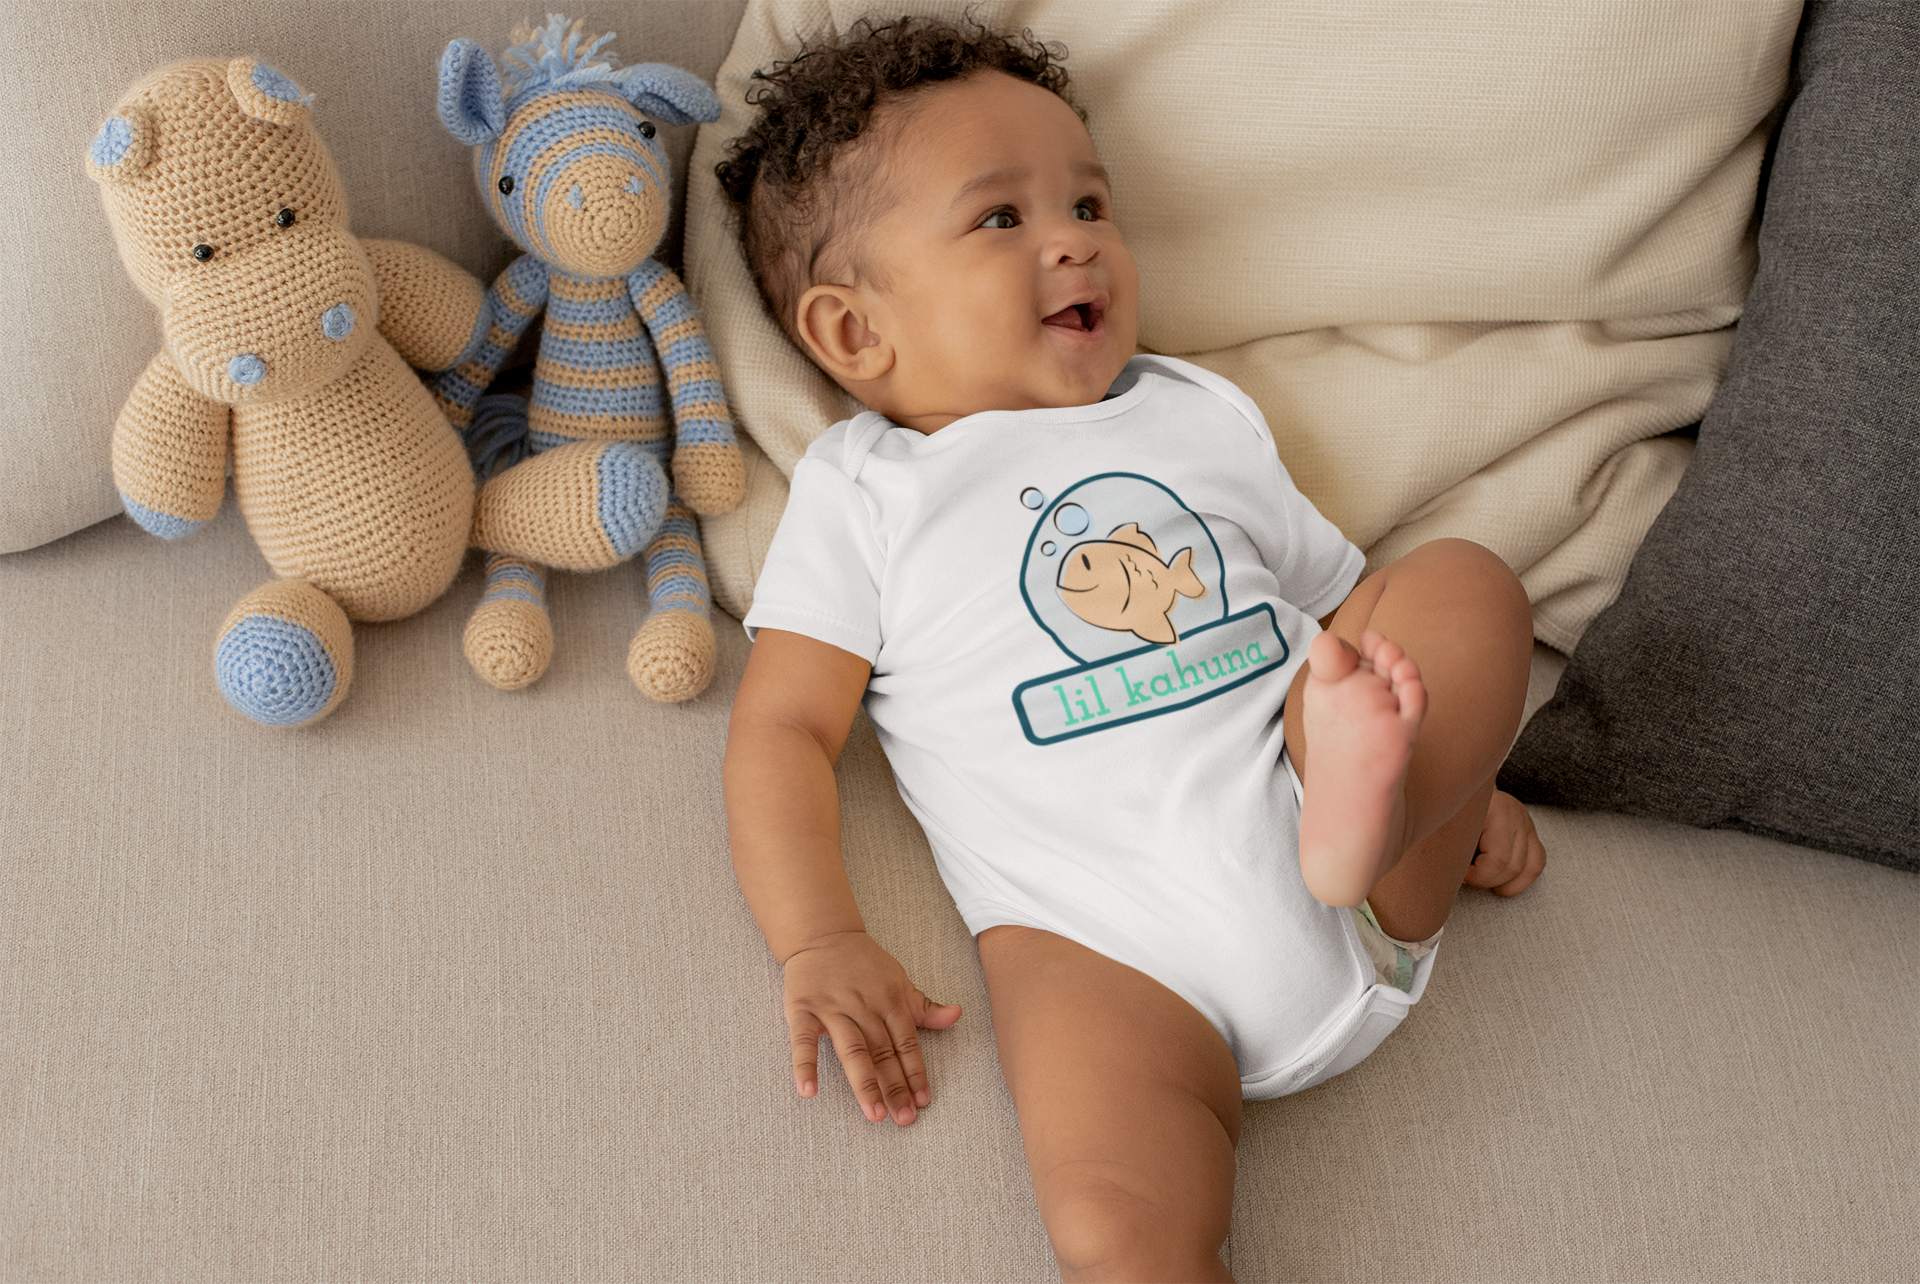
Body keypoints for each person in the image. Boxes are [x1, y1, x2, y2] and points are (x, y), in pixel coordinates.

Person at [716, 17, 1545, 1281]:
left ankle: (1382, 811)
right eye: (1001, 217)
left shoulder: (1195, 415)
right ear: (853, 334)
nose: (1075, 238)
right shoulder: (867, 491)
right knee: (1113, 1227)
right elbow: (782, 728)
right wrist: (819, 935)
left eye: (1090, 203)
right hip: (1104, 950)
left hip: (1328, 830)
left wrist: (1452, 768)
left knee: (1464, 583)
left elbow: (1356, 622)